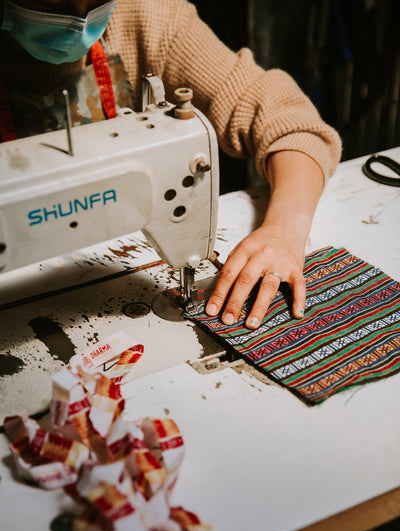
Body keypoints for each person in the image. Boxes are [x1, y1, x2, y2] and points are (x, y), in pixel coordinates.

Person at [0, 0, 342, 329]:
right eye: (51, 1)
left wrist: (286, 229)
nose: (80, 18)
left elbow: (292, 122)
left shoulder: (149, 16)